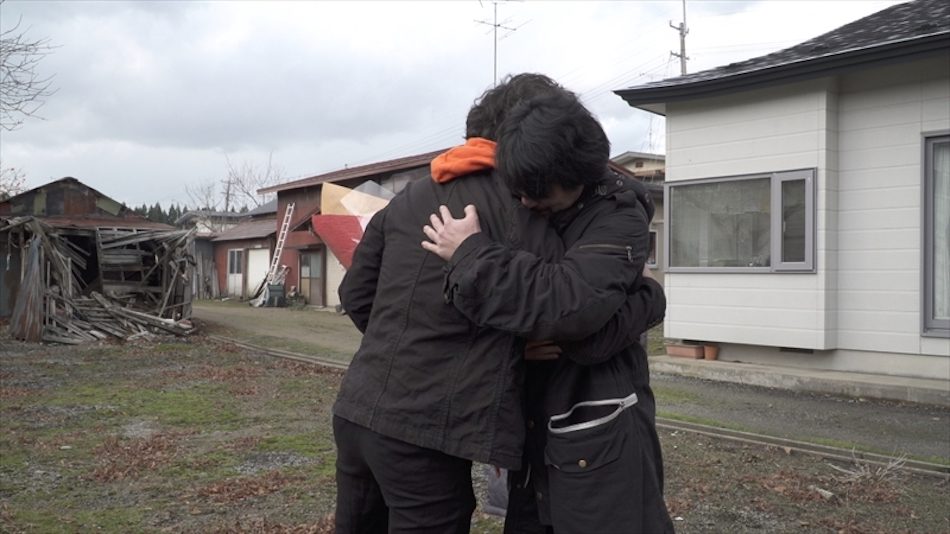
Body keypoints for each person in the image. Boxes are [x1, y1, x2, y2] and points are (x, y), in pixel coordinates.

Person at [333, 74, 665, 533]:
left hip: (356, 409)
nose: (526, 195)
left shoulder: (415, 192)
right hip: (428, 429)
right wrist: (650, 297)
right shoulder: (524, 212)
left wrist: (411, 343)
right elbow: (568, 311)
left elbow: (355, 295)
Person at [421, 91, 674, 533]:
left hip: (599, 429)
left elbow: (571, 312)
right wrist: (648, 298)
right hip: (534, 428)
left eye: (538, 193)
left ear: (577, 175)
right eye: (517, 190)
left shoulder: (617, 215)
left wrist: (471, 255)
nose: (524, 202)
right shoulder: (536, 202)